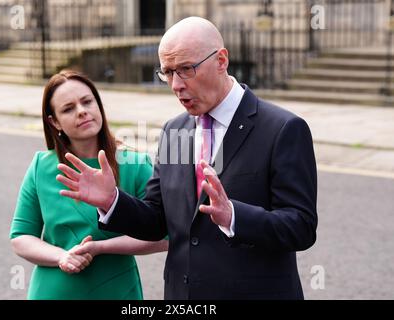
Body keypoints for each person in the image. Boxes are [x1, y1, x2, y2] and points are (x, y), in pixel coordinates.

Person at [57, 17, 318, 299]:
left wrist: (234, 217)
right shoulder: (174, 130)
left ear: (221, 60)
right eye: (167, 72)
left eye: (185, 69)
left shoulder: (283, 129)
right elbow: (158, 219)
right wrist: (112, 201)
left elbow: (301, 226)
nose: (175, 85)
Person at [9, 70, 168, 300]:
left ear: (98, 104)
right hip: (53, 292)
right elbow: (21, 237)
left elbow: (166, 236)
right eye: (68, 108)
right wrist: (61, 257)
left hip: (118, 290)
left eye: (87, 102)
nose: (82, 111)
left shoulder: (134, 164)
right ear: (54, 122)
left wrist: (102, 247)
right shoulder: (40, 167)